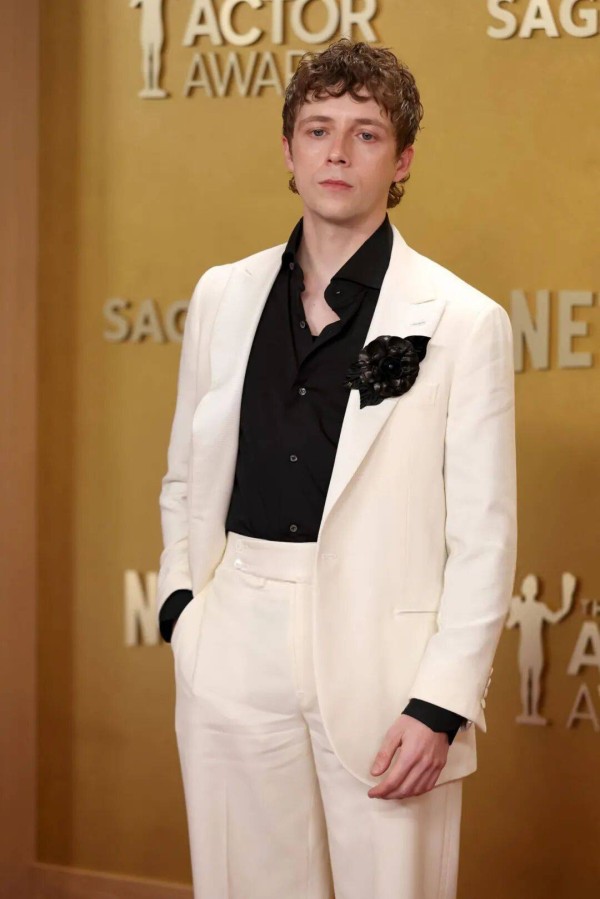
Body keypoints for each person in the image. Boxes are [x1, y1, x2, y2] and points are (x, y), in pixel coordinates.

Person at [157, 37, 517, 899]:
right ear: (288, 150)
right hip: (234, 635)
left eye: (366, 133)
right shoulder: (222, 294)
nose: (338, 152)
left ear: (402, 160)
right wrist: (182, 610)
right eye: (318, 129)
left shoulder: (463, 320)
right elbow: (184, 474)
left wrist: (441, 702)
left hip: (386, 658)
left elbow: (484, 537)